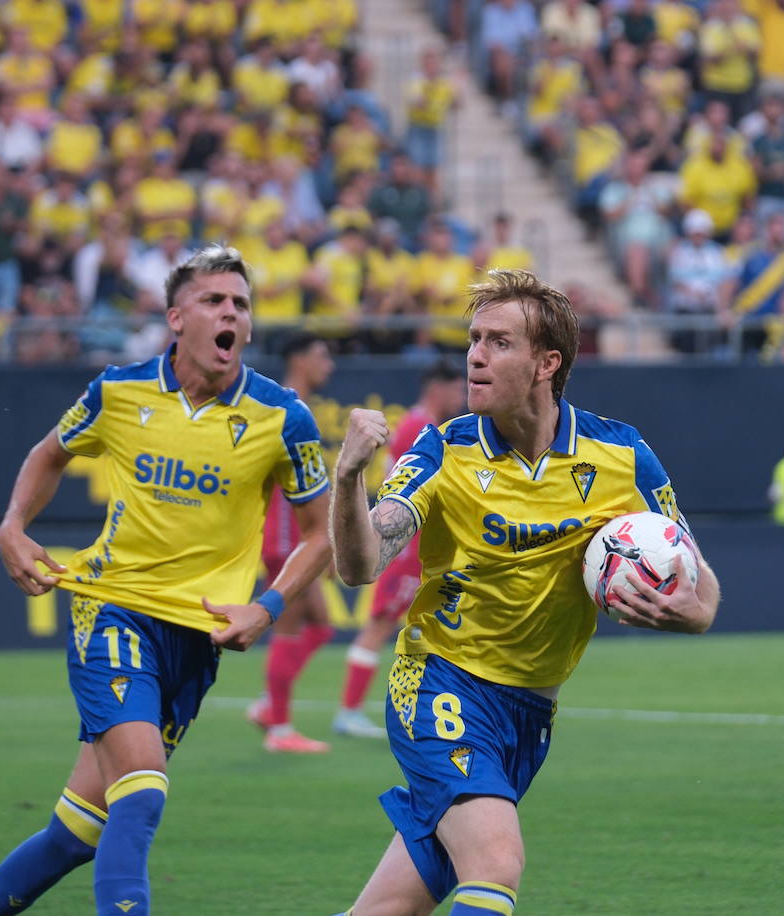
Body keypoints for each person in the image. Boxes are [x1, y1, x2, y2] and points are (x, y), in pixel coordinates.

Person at [0, 246, 333, 916]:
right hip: (112, 611)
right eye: (213, 301)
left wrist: (265, 607)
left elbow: (321, 533)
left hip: (195, 637)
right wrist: (12, 525)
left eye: (240, 304)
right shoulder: (120, 391)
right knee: (143, 792)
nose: (229, 312)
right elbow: (49, 453)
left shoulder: (281, 417)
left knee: (79, 831)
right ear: (177, 317)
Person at [329, 269, 721, 915]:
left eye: (499, 342)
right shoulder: (443, 450)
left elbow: (695, 576)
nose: (476, 355)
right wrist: (348, 481)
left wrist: (689, 612)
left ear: (547, 363)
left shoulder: (622, 455)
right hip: (441, 685)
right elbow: (359, 565)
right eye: (474, 339)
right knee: (495, 866)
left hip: (528, 715)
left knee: (388, 908)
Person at [332, 359, 467, 739]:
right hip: (405, 547)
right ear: (436, 388)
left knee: (425, 627)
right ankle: (349, 709)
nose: (461, 398)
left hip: (421, 546)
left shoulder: (425, 425)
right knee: (379, 625)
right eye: (456, 389)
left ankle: (425, 708)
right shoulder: (417, 427)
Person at [245, 331, 340, 753]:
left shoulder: (291, 406)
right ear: (300, 360)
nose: (329, 365)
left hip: (295, 531)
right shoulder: (287, 407)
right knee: (287, 627)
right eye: (322, 354)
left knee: (320, 625)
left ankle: (270, 707)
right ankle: (280, 729)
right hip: (286, 534)